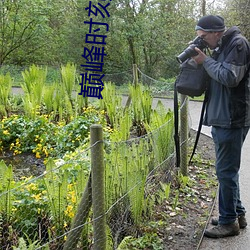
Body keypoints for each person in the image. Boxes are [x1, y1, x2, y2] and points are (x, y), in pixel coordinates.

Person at [192, 15, 250, 238]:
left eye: (204, 37)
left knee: (225, 171)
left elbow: (229, 77)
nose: (203, 41)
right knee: (227, 171)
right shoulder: (221, 46)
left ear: (216, 32)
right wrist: (202, 59)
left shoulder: (238, 44)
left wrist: (205, 61)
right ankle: (237, 214)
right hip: (222, 117)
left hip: (232, 118)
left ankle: (228, 223)